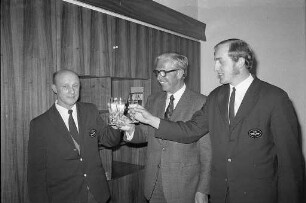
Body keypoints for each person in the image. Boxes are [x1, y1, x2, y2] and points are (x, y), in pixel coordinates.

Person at [131, 39, 305, 203]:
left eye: (220, 61)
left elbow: (290, 164)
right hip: (221, 195)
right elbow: (190, 130)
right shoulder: (216, 97)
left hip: (258, 195)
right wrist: (152, 120)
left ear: (241, 61)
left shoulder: (274, 98)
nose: (215, 67)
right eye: (215, 61)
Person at [119, 53, 211, 203]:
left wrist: (203, 190)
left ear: (180, 73)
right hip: (153, 183)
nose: (159, 78)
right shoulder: (153, 99)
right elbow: (145, 134)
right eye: (157, 72)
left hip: (185, 187)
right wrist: (130, 129)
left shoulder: (202, 102)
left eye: (164, 72)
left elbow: (207, 153)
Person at [27, 69, 122, 203]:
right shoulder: (40, 124)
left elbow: (109, 140)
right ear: (54, 89)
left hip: (97, 193)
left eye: (75, 85)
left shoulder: (90, 110)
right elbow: (36, 173)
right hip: (64, 197)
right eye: (65, 86)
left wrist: (116, 124)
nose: (72, 91)